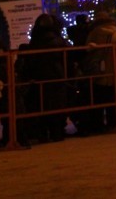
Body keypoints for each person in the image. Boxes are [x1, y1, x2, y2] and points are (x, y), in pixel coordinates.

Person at [19, 14, 69, 143]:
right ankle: (57, 132)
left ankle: (42, 133)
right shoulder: (58, 40)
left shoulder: (35, 41)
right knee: (57, 104)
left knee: (41, 104)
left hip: (39, 76)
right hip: (56, 75)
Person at [84, 11, 116, 133]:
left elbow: (87, 50)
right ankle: (113, 123)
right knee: (113, 99)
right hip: (114, 71)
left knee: (98, 99)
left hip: (99, 72)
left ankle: (98, 125)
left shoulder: (94, 33)